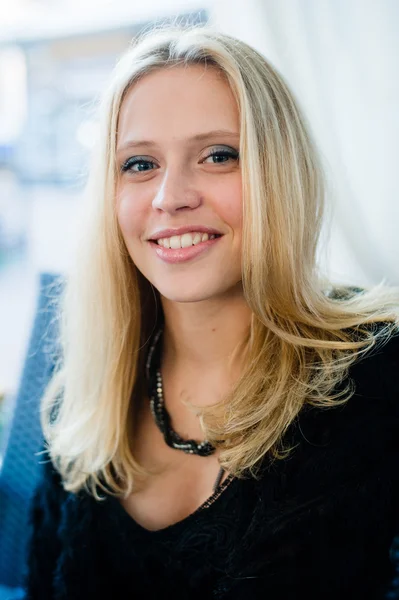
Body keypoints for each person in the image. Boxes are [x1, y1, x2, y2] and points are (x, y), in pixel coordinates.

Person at [24, 24, 399, 600]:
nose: (170, 196)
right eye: (139, 164)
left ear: (281, 176)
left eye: (218, 155)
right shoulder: (83, 396)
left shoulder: (381, 370)